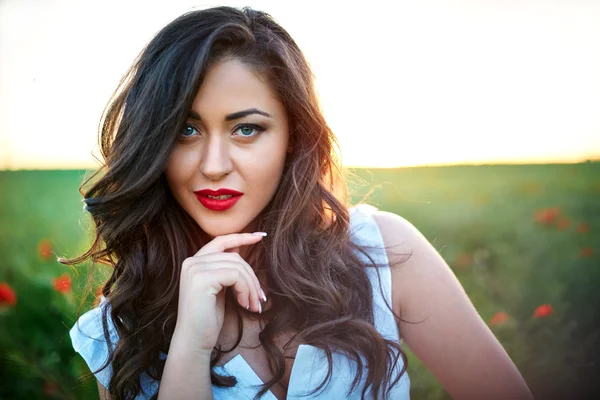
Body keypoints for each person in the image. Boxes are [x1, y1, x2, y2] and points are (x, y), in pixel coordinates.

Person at [63, 6, 534, 400]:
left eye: (246, 129)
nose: (213, 165)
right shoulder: (122, 322)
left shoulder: (381, 252)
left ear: (294, 137)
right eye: (186, 130)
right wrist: (190, 344)